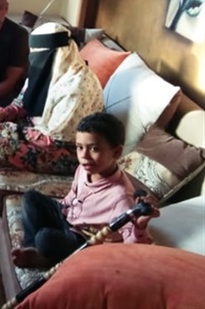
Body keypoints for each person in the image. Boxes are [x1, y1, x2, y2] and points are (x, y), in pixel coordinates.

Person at [0, 22, 104, 228]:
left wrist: (6, 129)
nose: (34, 61)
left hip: (67, 149)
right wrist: (2, 115)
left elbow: (55, 138)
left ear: (57, 53)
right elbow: (23, 100)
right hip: (38, 130)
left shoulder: (76, 86)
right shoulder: (48, 69)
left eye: (39, 55)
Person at [12, 112, 159, 269]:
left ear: (116, 153)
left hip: (84, 238)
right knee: (31, 198)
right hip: (70, 217)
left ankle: (45, 256)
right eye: (79, 147)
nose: (84, 156)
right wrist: (56, 210)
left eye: (94, 149)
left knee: (45, 238)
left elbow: (134, 246)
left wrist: (140, 227)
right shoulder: (84, 169)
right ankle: (33, 250)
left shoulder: (121, 197)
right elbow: (71, 198)